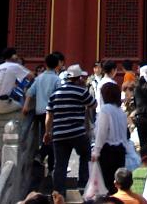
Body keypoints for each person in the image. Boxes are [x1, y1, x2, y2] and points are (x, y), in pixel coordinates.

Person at [45, 63, 96, 196]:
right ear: (78, 78)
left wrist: (47, 132)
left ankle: (58, 192)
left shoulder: (55, 94)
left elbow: (49, 115)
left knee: (60, 164)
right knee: (86, 154)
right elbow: (93, 104)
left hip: (59, 134)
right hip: (77, 132)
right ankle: (83, 184)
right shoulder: (81, 92)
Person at [24, 52, 62, 178]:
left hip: (40, 113)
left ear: (45, 64)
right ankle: (42, 157)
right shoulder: (57, 79)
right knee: (52, 140)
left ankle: (48, 165)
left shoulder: (39, 78)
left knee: (47, 139)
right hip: (53, 113)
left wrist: (25, 106)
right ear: (57, 65)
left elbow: (30, 92)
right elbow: (60, 95)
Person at [94, 81, 132, 193]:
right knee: (117, 184)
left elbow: (101, 132)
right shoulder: (121, 112)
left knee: (107, 184)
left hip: (107, 151)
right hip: (120, 151)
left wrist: (96, 151)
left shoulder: (105, 110)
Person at [0, 47, 30, 114]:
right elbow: (32, 76)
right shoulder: (14, 66)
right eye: (16, 55)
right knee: (22, 107)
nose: (17, 57)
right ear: (13, 56)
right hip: (2, 104)